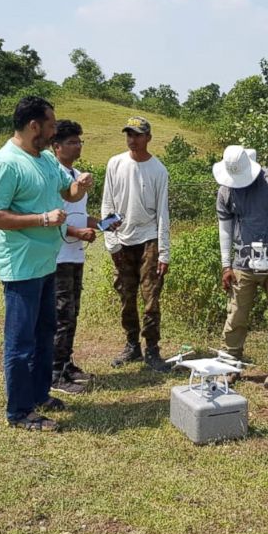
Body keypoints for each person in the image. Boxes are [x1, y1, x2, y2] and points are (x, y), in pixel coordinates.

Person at [0, 96, 93, 431]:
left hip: (46, 263)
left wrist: (78, 186)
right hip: (22, 267)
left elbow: (67, 193)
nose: (55, 131)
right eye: (52, 125)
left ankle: (40, 394)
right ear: (34, 126)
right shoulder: (6, 163)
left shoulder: (43, 159)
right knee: (21, 343)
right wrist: (42, 219)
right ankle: (19, 411)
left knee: (44, 334)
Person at [214, 145, 268, 388]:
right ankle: (230, 364)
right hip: (243, 263)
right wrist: (225, 265)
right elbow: (225, 228)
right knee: (236, 314)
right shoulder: (226, 191)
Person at [101, 116, 172, 372]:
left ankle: (152, 349)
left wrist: (164, 253)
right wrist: (112, 243)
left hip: (148, 239)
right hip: (121, 238)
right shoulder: (115, 163)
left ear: (148, 138)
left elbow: (163, 213)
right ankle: (132, 345)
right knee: (125, 295)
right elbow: (107, 204)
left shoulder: (158, 170)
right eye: (129, 135)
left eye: (137, 135)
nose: (132, 140)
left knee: (151, 297)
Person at [50, 119, 105, 396]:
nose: (78, 146)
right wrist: (77, 232)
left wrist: (101, 223)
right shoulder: (53, 175)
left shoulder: (78, 176)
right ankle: (55, 373)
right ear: (56, 146)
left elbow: (79, 215)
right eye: (72, 142)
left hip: (75, 255)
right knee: (61, 315)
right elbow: (53, 219)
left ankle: (66, 363)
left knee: (72, 314)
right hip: (57, 256)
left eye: (79, 141)